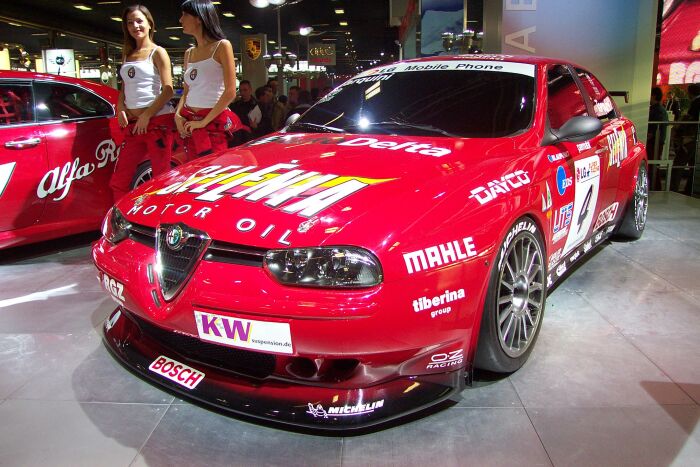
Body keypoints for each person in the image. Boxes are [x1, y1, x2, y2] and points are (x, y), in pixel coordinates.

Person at [110, 4, 175, 202]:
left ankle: (162, 223)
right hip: (133, 124)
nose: (135, 26)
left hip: (157, 121)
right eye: (130, 23)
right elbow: (124, 87)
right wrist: (120, 108)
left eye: (139, 21)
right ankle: (120, 221)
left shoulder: (158, 52)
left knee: (161, 178)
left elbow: (168, 90)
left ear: (149, 23)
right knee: (119, 180)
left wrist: (147, 115)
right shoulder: (127, 54)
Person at [175, 0, 238, 159]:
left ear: (199, 18)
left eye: (185, 15)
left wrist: (203, 122)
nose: (180, 20)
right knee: (192, 174)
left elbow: (230, 92)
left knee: (213, 175)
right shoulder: (189, 53)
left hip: (212, 127)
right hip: (190, 125)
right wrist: (177, 114)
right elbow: (186, 91)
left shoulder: (222, 46)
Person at [647, 87, 668, 159]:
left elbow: (654, 127)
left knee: (652, 160)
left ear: (654, 96)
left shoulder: (657, 110)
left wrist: (648, 137)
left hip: (655, 142)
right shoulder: (659, 109)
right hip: (656, 141)